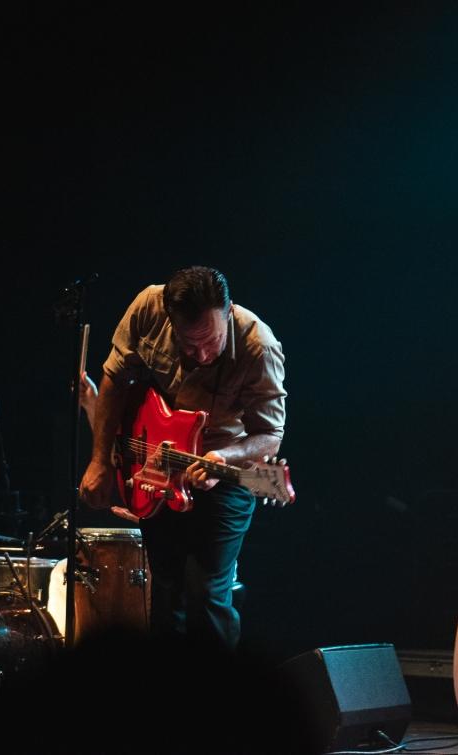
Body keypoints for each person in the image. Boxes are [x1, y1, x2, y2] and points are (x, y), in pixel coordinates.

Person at [79, 265, 286, 649]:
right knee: (166, 594)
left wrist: (224, 456)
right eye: (190, 345)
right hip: (155, 466)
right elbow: (114, 380)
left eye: (212, 341)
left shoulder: (259, 345)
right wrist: (99, 460)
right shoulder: (147, 307)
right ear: (170, 319)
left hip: (224, 472)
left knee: (206, 596)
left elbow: (270, 435)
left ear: (228, 312)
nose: (202, 355)